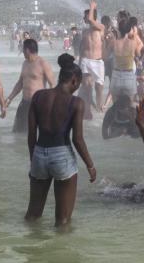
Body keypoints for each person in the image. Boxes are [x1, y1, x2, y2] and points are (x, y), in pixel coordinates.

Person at [25, 54, 97, 226]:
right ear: (74, 81)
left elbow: (31, 135)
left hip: (39, 153)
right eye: (77, 84)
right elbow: (77, 140)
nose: (77, 87)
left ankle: (30, 249)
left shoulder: (38, 96)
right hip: (62, 155)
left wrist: (33, 158)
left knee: (32, 215)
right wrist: (90, 165)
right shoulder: (76, 103)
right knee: (63, 221)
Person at [6, 39, 55, 134]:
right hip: (24, 103)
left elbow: (52, 84)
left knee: (36, 132)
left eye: (23, 49)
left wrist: (50, 104)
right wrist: (9, 99)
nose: (22, 51)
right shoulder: (25, 63)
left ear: (27, 50)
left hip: (38, 104)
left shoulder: (43, 63)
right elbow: (20, 83)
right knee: (18, 131)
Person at [79, 1, 106, 113]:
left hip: (97, 61)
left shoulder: (100, 27)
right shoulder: (85, 31)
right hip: (85, 60)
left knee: (99, 87)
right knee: (86, 85)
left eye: (85, 16)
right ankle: (88, 108)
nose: (84, 18)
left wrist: (92, 7)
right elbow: (82, 47)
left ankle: (99, 107)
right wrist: (79, 61)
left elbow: (90, 20)